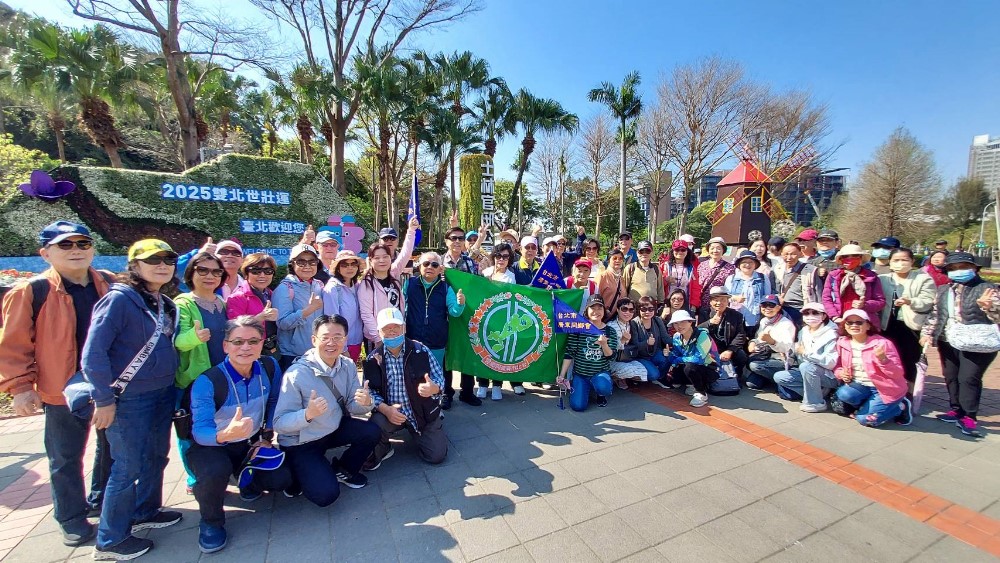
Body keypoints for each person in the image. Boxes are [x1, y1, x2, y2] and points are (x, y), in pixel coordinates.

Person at [0, 221, 114, 547]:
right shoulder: (31, 291)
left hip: (108, 385)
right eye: (65, 245)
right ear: (45, 253)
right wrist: (21, 388)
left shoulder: (108, 283)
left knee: (110, 448)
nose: (76, 250)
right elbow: (13, 344)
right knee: (65, 457)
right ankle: (71, 517)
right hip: (60, 389)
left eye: (82, 243)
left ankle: (102, 500)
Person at [82, 239, 183, 560]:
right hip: (129, 398)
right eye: (153, 260)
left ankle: (145, 510)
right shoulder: (119, 300)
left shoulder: (163, 302)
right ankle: (110, 540)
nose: (162, 265)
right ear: (134, 266)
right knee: (127, 466)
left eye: (168, 259)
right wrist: (103, 400)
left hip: (162, 391)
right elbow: (93, 354)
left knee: (156, 455)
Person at [186, 316, 292, 554]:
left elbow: (274, 401)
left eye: (253, 341)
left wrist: (266, 437)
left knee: (281, 478)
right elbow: (199, 431)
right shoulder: (208, 381)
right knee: (215, 471)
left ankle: (245, 480)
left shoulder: (269, 367)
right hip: (213, 447)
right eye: (238, 342)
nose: (246, 347)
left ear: (261, 343)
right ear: (225, 346)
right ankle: (211, 522)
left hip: (250, 442)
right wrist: (225, 434)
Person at [273, 315, 381, 505]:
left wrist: (366, 402)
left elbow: (352, 405)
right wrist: (307, 415)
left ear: (345, 339)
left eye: (338, 337)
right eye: (325, 337)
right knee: (326, 495)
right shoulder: (296, 374)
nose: (331, 343)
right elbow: (279, 423)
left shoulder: (347, 365)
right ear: (314, 340)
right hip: (302, 441)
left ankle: (344, 469)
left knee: (372, 431)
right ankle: (297, 472)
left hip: (331, 429)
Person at [920, 252, 1000, 438]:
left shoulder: (987, 288)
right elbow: (935, 314)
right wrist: (927, 333)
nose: (958, 271)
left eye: (964, 267)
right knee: (951, 376)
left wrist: (989, 306)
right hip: (948, 340)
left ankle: (969, 416)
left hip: (977, 341)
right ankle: (956, 409)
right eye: (953, 268)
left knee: (968, 378)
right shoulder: (944, 289)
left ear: (974, 268)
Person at [363, 308, 449, 467]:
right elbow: (370, 391)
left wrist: (434, 388)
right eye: (386, 328)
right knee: (374, 427)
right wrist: (386, 410)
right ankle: (385, 446)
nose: (392, 331)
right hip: (391, 413)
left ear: (404, 328)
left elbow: (439, 379)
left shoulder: (420, 350)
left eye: (396, 326)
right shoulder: (373, 359)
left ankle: (431, 425)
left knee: (436, 455)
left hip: (421, 412)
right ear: (379, 332)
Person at [174, 252, 229, 494]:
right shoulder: (183, 303)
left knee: (215, 423)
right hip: (194, 379)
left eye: (216, 271)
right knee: (189, 429)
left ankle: (216, 469)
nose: (210, 276)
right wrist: (194, 337)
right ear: (191, 273)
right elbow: (177, 341)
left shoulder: (220, 302)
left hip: (220, 375)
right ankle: (194, 477)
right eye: (203, 270)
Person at [403, 252, 471, 409]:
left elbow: (454, 312)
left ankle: (433, 405)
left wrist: (460, 303)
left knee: (435, 374)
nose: (430, 267)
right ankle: (413, 404)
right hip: (412, 338)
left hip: (436, 339)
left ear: (440, 269)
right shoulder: (409, 284)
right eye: (426, 264)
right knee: (412, 373)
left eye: (434, 265)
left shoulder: (445, 288)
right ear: (419, 266)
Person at [833, 309, 912, 428]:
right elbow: (837, 366)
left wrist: (883, 360)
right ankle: (871, 406)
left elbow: (897, 373)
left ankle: (901, 407)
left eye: (859, 322)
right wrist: (841, 373)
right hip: (860, 385)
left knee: (864, 420)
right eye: (849, 322)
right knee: (844, 394)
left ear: (868, 325)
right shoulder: (842, 343)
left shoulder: (882, 343)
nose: (854, 325)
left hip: (885, 389)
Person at [878, 248, 936, 385]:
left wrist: (910, 301)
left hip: (911, 325)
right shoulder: (882, 279)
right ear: (890, 262)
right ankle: (892, 388)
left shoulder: (923, 279)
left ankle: (910, 389)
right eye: (896, 260)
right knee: (889, 357)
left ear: (912, 261)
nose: (900, 263)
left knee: (910, 359)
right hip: (887, 325)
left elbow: (928, 302)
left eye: (904, 260)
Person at [773, 303, 839, 410]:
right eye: (806, 313)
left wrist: (806, 353)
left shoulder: (832, 334)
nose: (810, 316)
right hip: (805, 370)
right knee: (780, 376)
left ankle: (816, 403)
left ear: (824, 316)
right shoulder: (803, 331)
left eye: (815, 313)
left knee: (807, 367)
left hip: (828, 375)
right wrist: (790, 353)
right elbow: (798, 351)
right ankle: (817, 392)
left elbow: (830, 363)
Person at [272, 244, 326, 371]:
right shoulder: (285, 288)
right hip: (293, 355)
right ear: (292, 264)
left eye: (312, 262)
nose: (307, 266)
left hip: (317, 352)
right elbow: (282, 323)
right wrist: (309, 310)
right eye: (301, 262)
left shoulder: (319, 285)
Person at [557, 296, 616, 411]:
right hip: (581, 374)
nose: (596, 312)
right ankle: (584, 388)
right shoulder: (578, 329)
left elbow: (611, 357)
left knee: (603, 387)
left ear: (604, 311)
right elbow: (569, 353)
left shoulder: (609, 331)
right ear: (586, 310)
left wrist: (604, 344)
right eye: (592, 308)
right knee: (578, 406)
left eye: (600, 308)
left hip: (600, 372)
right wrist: (562, 375)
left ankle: (600, 393)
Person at [227, 253, 280, 357]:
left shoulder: (271, 294)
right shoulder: (237, 298)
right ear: (246, 274)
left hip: (272, 349)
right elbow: (234, 329)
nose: (262, 275)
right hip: (248, 352)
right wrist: (259, 318)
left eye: (268, 271)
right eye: (256, 271)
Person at [822, 244, 886, 326]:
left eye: (855, 256)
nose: (850, 259)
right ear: (840, 259)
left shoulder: (871, 276)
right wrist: (834, 316)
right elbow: (826, 298)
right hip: (839, 321)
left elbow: (880, 301)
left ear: (860, 258)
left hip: (864, 323)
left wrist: (865, 305)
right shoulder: (834, 276)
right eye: (845, 256)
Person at [358, 242, 405, 351]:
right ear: (370, 260)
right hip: (377, 338)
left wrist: (411, 232)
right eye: (377, 258)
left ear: (390, 258)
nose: (382, 260)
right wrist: (378, 338)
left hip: (397, 334)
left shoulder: (394, 279)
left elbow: (405, 254)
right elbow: (366, 314)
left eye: (385, 256)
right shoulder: (367, 284)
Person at [666, 310, 718, 407]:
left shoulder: (702, 335)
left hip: (709, 368)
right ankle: (690, 383)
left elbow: (699, 359)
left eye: (683, 322)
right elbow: (676, 355)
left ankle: (701, 393)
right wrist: (669, 355)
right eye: (676, 323)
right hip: (688, 365)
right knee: (674, 377)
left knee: (690, 367)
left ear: (690, 322)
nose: (679, 326)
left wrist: (678, 360)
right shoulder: (676, 336)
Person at [745, 294, 797, 392]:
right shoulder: (764, 321)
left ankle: (781, 379)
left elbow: (786, 348)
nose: (767, 308)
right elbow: (758, 339)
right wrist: (752, 343)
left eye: (771, 305)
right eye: (764, 305)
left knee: (754, 365)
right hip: (765, 356)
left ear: (778, 307)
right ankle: (769, 377)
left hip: (781, 359)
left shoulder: (786, 324)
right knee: (751, 384)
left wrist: (772, 341)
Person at [699, 287, 748, 385]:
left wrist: (730, 350)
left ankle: (735, 377)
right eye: (716, 300)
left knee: (741, 355)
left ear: (727, 301)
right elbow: (697, 331)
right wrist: (709, 322)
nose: (719, 303)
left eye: (722, 300)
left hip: (727, 347)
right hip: (710, 348)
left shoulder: (736, 315)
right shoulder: (704, 313)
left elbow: (741, 335)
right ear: (710, 302)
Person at [322, 250, 364, 362]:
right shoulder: (332, 288)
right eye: (345, 265)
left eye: (353, 264)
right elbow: (332, 320)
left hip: (356, 342)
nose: (350, 268)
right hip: (340, 346)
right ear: (338, 268)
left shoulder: (357, 286)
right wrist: (342, 348)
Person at [724, 250, 772, 333]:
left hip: (755, 318)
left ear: (755, 264)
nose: (747, 265)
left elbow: (767, 298)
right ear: (739, 264)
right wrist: (734, 298)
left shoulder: (763, 278)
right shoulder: (731, 278)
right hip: (735, 318)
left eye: (750, 262)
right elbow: (725, 297)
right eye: (744, 262)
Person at [606, 298, 647, 389]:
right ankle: (611, 377)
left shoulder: (630, 324)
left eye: (631, 310)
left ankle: (621, 377)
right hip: (612, 360)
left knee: (643, 371)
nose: (627, 312)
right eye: (624, 309)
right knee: (630, 370)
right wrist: (622, 340)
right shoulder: (611, 326)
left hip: (625, 357)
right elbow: (608, 350)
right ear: (617, 310)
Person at [630, 296, 670, 384]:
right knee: (653, 375)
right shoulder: (634, 323)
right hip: (640, 356)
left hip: (654, 352)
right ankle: (637, 376)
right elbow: (635, 345)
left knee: (668, 357)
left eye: (651, 309)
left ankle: (660, 378)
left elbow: (665, 337)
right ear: (638, 310)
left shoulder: (657, 320)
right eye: (644, 309)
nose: (647, 312)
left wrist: (679, 342)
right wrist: (647, 342)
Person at [773, 243, 820, 316]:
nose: (789, 257)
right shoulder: (777, 269)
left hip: (802, 309)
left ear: (800, 254)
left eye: (793, 254)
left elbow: (818, 292)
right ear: (781, 254)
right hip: (783, 309)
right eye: (786, 254)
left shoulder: (810, 270)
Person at [696, 237, 736, 320]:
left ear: (723, 250)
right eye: (712, 248)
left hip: (718, 306)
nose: (715, 251)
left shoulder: (730, 268)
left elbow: (730, 289)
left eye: (718, 248)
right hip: (701, 304)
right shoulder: (701, 265)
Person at [661, 239, 702, 309]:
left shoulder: (691, 268)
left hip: (685, 302)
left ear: (687, 252)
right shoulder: (664, 266)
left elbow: (696, 288)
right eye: (677, 250)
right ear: (672, 251)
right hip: (668, 302)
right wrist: (665, 280)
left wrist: (694, 304)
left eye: (683, 250)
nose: (680, 252)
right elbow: (658, 285)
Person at [597, 249, 626, 320]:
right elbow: (596, 297)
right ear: (608, 260)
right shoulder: (602, 276)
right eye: (614, 258)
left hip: (618, 318)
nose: (618, 260)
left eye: (620, 258)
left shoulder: (621, 279)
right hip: (604, 317)